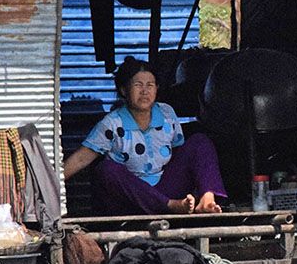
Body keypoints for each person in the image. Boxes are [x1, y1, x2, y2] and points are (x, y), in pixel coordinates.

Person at [62, 57, 227, 214]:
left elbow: (180, 154)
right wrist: (47, 185)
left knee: (200, 142)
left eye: (150, 85)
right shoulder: (112, 123)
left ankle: (207, 200)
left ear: (157, 89)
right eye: (138, 85)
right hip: (131, 199)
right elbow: (81, 158)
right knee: (105, 169)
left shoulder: (167, 113)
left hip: (166, 188)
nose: (145, 91)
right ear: (124, 90)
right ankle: (170, 206)